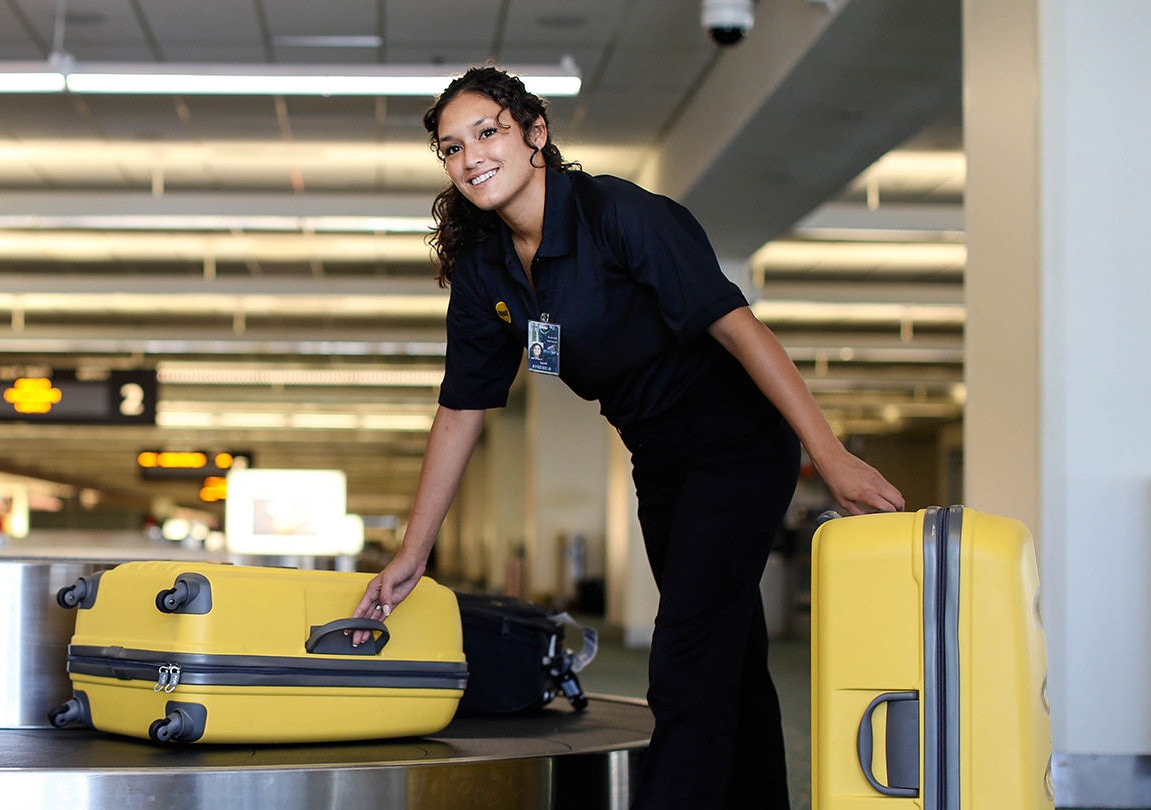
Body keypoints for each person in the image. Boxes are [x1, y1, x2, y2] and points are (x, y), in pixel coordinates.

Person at [349, 65, 905, 810]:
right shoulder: (486, 267)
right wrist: (412, 553)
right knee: (727, 658)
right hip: (659, 456)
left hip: (736, 444)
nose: (471, 155)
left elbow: (742, 331)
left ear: (535, 135)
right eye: (451, 147)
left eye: (489, 132)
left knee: (684, 659)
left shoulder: (619, 214)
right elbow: (461, 410)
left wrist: (829, 456)